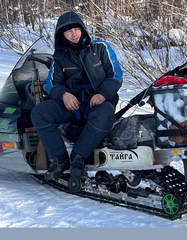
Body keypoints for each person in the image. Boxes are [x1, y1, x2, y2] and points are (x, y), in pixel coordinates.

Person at [31, 11, 123, 181]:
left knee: (104, 116)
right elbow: (52, 84)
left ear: (82, 29)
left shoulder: (100, 47)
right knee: (40, 112)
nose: (73, 34)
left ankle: (78, 158)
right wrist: (64, 95)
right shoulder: (59, 57)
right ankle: (59, 159)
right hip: (72, 104)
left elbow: (116, 75)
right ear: (62, 34)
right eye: (68, 31)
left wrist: (103, 94)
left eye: (76, 29)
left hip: (99, 101)